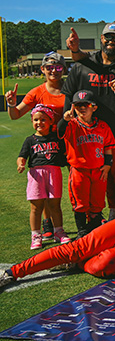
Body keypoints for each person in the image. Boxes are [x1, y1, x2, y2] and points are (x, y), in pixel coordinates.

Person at [63, 23, 115, 220]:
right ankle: (106, 212)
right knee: (99, 178)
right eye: (108, 38)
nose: (112, 42)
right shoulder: (84, 65)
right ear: (101, 39)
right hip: (90, 136)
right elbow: (69, 96)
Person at [6, 51, 67, 239]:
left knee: (72, 182)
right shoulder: (37, 92)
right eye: (49, 67)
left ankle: (87, 217)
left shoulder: (70, 88)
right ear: (43, 69)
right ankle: (47, 222)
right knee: (45, 184)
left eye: (57, 67)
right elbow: (16, 114)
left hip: (69, 140)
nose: (54, 71)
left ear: (63, 69)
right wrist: (11, 104)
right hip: (46, 144)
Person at [58, 90, 115, 238]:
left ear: (94, 107)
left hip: (98, 170)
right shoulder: (72, 125)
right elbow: (60, 131)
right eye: (78, 105)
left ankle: (94, 229)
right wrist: (64, 120)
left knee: (97, 202)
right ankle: (82, 232)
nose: (82, 108)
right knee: (80, 203)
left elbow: (108, 147)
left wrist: (108, 164)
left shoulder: (103, 126)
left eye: (86, 104)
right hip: (79, 171)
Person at [17, 105, 69, 249]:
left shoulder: (57, 139)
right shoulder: (30, 140)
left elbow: (65, 155)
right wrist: (21, 163)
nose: (39, 123)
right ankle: (36, 235)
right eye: (36, 120)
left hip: (54, 173)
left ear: (51, 121)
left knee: (55, 205)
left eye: (43, 119)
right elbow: (22, 156)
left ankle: (58, 231)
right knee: (36, 207)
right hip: (36, 174)